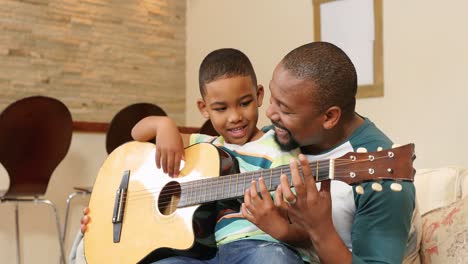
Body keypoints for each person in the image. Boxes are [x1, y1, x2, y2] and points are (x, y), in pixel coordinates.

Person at [72, 48, 304, 264]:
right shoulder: (204, 146)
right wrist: (163, 125)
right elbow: (136, 134)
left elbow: (295, 212)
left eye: (244, 103)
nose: (235, 117)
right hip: (202, 255)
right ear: (204, 108)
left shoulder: (278, 146)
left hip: (255, 247)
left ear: (259, 95)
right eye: (221, 109)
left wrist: (282, 213)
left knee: (274, 258)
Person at [239, 41, 420, 263]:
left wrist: (319, 229)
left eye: (284, 109)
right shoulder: (276, 138)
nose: (269, 112)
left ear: (329, 117)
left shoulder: (382, 177)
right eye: (272, 99)